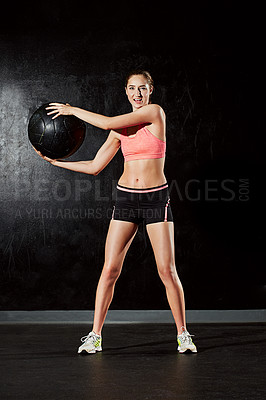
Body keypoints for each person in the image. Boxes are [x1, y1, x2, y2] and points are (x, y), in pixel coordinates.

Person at [37, 70, 197, 354]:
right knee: (110, 269)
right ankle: (95, 335)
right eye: (132, 89)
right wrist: (55, 162)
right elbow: (95, 166)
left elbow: (108, 120)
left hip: (155, 199)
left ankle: (183, 333)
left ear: (150, 91)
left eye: (142, 89)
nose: (137, 94)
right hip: (126, 199)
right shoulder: (119, 131)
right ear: (125, 91)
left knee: (166, 270)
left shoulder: (155, 113)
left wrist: (71, 110)